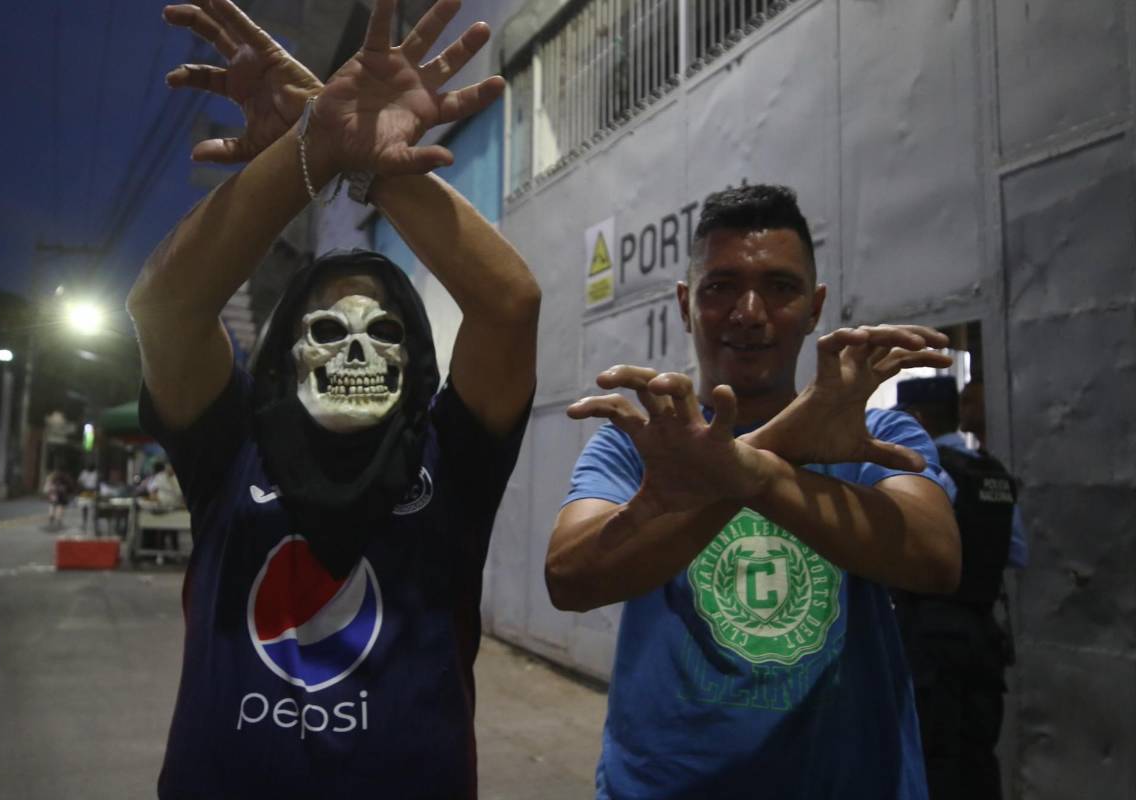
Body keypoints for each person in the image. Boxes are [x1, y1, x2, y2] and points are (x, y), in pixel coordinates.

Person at [127, 0, 537, 796]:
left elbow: (510, 307)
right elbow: (165, 309)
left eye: (385, 333)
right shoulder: (229, 447)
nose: (356, 351)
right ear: (283, 359)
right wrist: (314, 143)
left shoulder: (455, 457)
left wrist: (371, 159)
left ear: (420, 365)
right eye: (328, 330)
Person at [547, 184, 962, 799]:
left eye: (780, 287)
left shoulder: (873, 435)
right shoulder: (641, 442)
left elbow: (936, 558)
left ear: (815, 306)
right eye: (720, 287)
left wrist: (757, 468)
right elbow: (570, 577)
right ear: (686, 303)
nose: (748, 311)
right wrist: (778, 449)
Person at [891, 376, 1025, 800]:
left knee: (933, 758)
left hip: (931, 635)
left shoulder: (923, 473)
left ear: (917, 419)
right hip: (984, 637)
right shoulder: (992, 472)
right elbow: (1017, 553)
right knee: (979, 756)